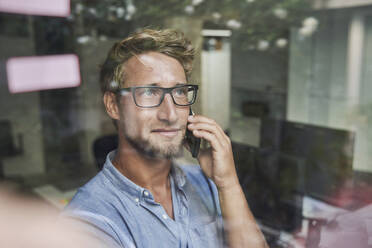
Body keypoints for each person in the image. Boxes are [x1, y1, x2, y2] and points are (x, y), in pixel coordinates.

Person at [63, 28, 267, 248]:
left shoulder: (206, 182)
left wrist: (228, 184)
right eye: (150, 93)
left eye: (179, 92)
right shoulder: (88, 221)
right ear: (114, 105)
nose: (170, 114)